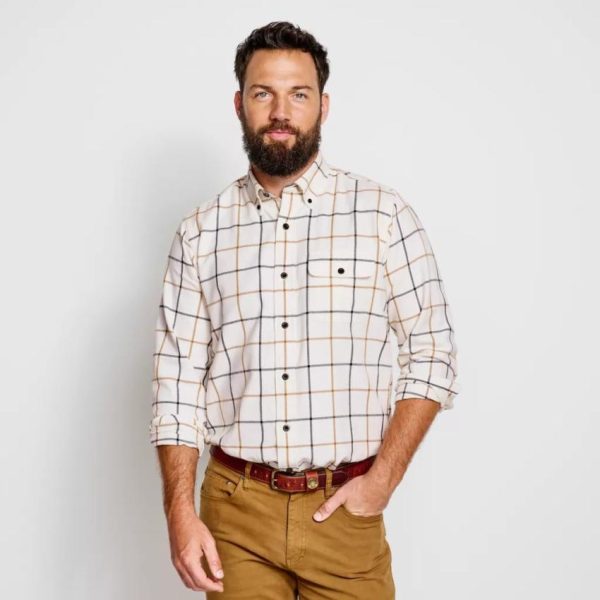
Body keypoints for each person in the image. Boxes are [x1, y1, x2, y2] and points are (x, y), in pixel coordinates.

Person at [149, 20, 460, 599]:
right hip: (234, 515)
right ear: (239, 104)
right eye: (263, 93)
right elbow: (177, 382)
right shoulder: (200, 233)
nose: (280, 112)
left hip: (345, 512)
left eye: (299, 94)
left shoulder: (382, 216)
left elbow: (433, 353)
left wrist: (382, 481)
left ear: (324, 105)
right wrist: (179, 512)